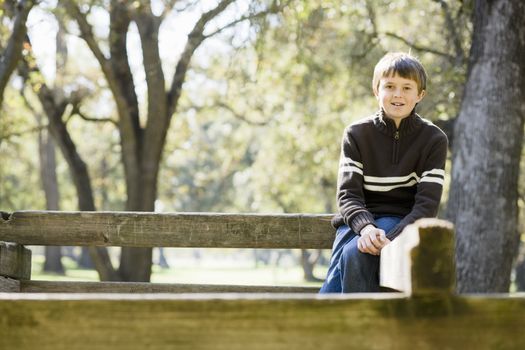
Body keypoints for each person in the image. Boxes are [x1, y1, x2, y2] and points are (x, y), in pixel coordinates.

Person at [319, 52, 448, 293]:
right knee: (339, 276)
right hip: (356, 223)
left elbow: (427, 205)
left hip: (403, 221)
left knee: (356, 254)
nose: (398, 94)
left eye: (407, 87)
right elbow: (348, 196)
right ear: (376, 90)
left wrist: (391, 238)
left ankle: (353, 327)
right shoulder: (357, 134)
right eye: (389, 86)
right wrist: (367, 229)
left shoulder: (433, 139)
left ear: (420, 94)